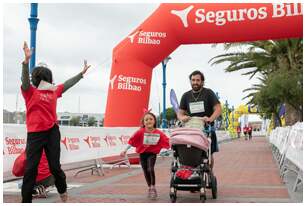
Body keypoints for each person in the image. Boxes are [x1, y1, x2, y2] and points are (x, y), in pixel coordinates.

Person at [20, 41, 91, 203]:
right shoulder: (29, 91)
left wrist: (81, 74)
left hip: (52, 131)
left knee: (54, 166)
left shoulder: (53, 91)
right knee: (31, 169)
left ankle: (63, 191)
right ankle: (25, 201)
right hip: (35, 134)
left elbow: (67, 84)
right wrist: (26, 62)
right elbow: (25, 80)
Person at [177, 70, 222, 174]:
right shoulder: (186, 96)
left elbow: (218, 109)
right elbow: (180, 113)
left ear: (202, 82)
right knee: (191, 152)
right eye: (193, 80)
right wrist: (182, 117)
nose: (195, 82)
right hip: (191, 129)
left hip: (206, 128)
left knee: (208, 154)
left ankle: (208, 173)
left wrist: (210, 118)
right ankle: (194, 175)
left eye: (198, 80)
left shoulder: (209, 93)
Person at [120, 111, 170, 200]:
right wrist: (125, 150)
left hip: (152, 154)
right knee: (145, 171)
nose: (148, 121)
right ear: (143, 122)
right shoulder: (140, 132)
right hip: (142, 154)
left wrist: (174, 147)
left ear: (154, 121)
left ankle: (153, 187)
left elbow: (167, 141)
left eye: (151, 119)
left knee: (150, 168)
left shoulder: (159, 133)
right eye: (146, 119)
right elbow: (132, 141)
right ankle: (149, 188)